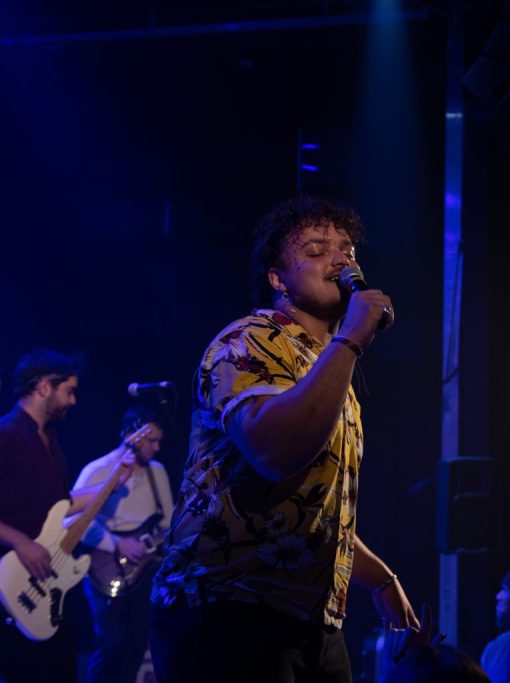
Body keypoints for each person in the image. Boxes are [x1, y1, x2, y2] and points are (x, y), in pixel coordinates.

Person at [149, 195, 418, 683]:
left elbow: (309, 510)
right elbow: (274, 452)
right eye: (316, 250)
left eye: (347, 250)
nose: (339, 260)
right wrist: (350, 340)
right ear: (278, 279)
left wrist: (381, 579)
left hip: (311, 619)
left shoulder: (328, 367)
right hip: (230, 608)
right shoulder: (249, 339)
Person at [0, 349, 132, 683]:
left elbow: (60, 504)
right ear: (44, 386)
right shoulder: (7, 436)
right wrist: (21, 542)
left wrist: (112, 482)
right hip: (13, 581)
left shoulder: (51, 443)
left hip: (49, 584)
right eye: (69, 391)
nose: (73, 400)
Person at [67, 406, 175, 683]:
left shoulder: (157, 472)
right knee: (111, 643)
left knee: (137, 643)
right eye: (151, 440)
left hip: (146, 569)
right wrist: (115, 542)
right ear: (131, 435)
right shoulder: (98, 469)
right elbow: (70, 522)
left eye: (159, 441)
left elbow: (168, 523)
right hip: (103, 565)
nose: (157, 447)